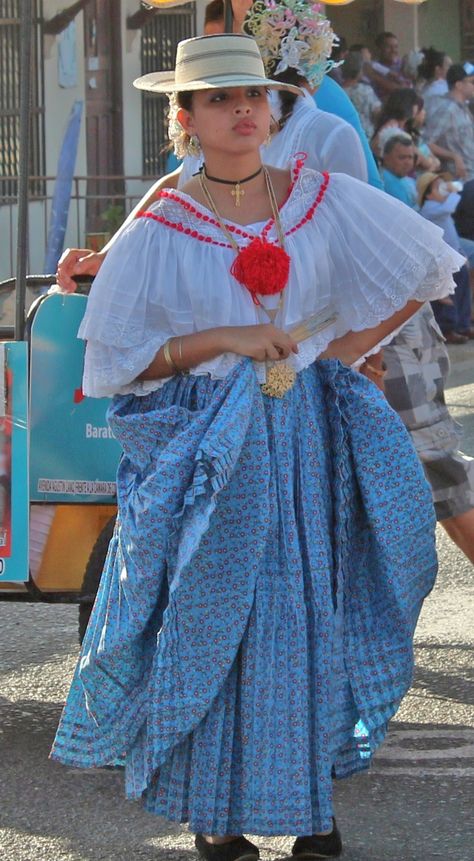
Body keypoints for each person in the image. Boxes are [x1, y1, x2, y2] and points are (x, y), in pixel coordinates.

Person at [50, 31, 465, 861]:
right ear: (186, 119)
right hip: (214, 445)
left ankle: (312, 809)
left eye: (254, 95)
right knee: (214, 616)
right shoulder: (164, 217)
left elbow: (426, 267)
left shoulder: (318, 194)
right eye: (219, 99)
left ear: (274, 107)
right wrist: (225, 338)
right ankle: (215, 816)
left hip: (304, 436)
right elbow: (120, 360)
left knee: (309, 608)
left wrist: (336, 351)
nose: (243, 109)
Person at [417, 171, 474, 342]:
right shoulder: (429, 209)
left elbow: (453, 236)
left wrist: (462, 255)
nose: (443, 190)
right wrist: (453, 190)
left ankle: (463, 325)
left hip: (455, 257)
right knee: (447, 295)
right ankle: (448, 328)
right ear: (428, 193)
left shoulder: (441, 211)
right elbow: (450, 205)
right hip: (441, 261)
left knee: (462, 291)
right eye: (438, 187)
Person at [424, 63, 474, 180]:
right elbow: (427, 143)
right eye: (471, 83)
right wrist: (453, 156)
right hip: (462, 178)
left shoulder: (463, 109)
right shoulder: (446, 110)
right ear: (459, 85)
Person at [341, 50, 381, 140]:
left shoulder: (338, 91)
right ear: (360, 70)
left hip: (345, 137)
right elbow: (377, 113)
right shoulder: (365, 91)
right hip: (366, 137)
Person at [366, 31, 413, 99]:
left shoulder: (404, 65)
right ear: (379, 49)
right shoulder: (372, 66)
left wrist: (375, 77)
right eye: (388, 47)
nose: (393, 50)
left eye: (396, 47)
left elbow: (406, 90)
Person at [379, 132, 418, 208]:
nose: (407, 162)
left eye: (410, 157)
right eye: (402, 157)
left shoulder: (409, 180)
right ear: (386, 158)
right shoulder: (382, 181)